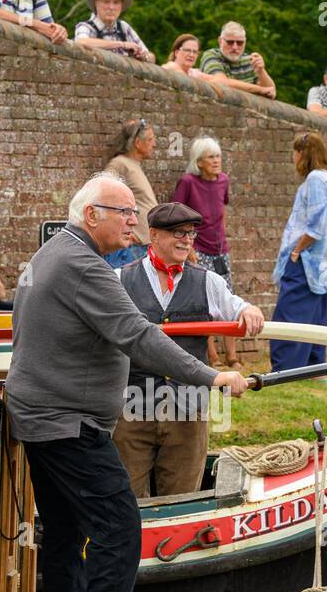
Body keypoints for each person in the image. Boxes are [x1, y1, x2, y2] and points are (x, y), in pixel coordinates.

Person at [5, 172, 249, 592]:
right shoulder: (85, 265)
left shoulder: (54, 254)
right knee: (120, 526)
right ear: (91, 215)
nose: (134, 221)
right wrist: (214, 376)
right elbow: (138, 335)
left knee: (66, 536)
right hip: (68, 424)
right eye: (125, 213)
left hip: (43, 418)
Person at [113, 203, 265, 499]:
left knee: (181, 499)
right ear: (154, 235)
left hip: (188, 409)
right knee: (126, 501)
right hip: (132, 408)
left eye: (190, 233)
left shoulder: (207, 281)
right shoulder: (120, 280)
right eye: (177, 233)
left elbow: (236, 306)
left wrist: (250, 310)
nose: (186, 240)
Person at [270, 132, 327, 373]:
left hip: (305, 259)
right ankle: (314, 369)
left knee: (289, 316)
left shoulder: (315, 180)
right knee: (314, 316)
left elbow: (316, 225)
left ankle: (285, 370)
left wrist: (296, 251)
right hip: (320, 261)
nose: (293, 158)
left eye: (295, 152)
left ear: (303, 154)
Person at [173, 136, 238, 368]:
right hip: (197, 249)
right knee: (205, 301)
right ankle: (213, 357)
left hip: (221, 249)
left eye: (218, 156)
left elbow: (223, 211)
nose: (216, 161)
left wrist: (224, 237)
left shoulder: (223, 181)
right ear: (199, 162)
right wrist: (187, 247)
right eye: (211, 157)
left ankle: (232, 356)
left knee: (227, 298)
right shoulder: (188, 182)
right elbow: (177, 215)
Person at [103, 118, 158, 268]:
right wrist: (121, 230)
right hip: (132, 246)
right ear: (138, 143)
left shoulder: (134, 165)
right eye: (150, 139)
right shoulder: (119, 164)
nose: (154, 144)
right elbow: (103, 194)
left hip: (143, 245)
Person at [72, 0, 152, 62]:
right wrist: (122, 44)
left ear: (121, 7)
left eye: (116, 3)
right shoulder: (86, 27)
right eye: (106, 2)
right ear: (96, 4)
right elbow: (81, 42)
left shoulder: (124, 27)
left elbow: (151, 57)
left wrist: (143, 57)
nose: (111, 7)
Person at [197, 21, 276, 99]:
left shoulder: (250, 60)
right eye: (230, 42)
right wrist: (260, 89)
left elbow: (271, 92)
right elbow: (220, 82)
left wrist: (261, 70)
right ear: (220, 41)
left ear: (245, 42)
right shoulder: (211, 55)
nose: (235, 47)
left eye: (240, 43)